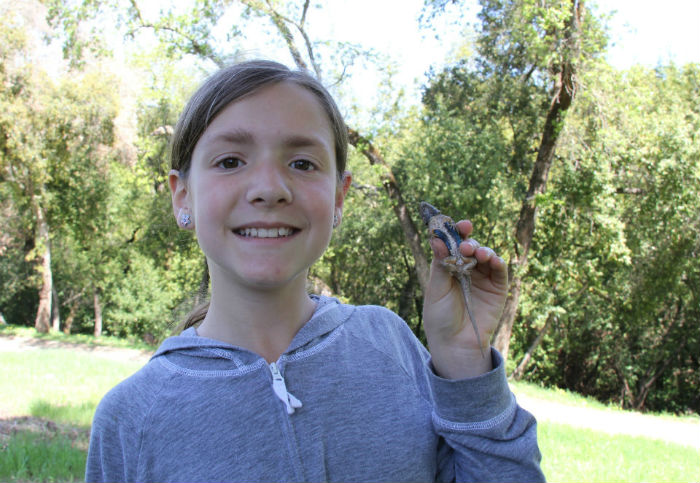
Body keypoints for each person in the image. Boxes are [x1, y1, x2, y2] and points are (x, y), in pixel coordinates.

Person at [85, 59, 545, 483]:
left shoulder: (389, 345)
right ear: (182, 195)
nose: (269, 188)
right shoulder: (132, 418)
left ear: (339, 196)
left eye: (302, 163)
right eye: (230, 161)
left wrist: (465, 362)